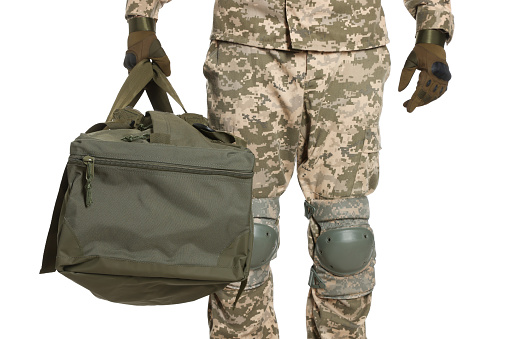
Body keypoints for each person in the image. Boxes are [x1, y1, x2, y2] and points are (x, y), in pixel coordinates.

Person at [123, 1, 454, 338]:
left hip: (350, 52)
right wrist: (142, 22)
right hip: (247, 49)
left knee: (346, 242)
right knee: (245, 236)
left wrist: (432, 31)